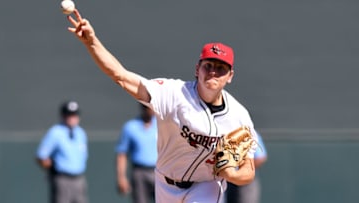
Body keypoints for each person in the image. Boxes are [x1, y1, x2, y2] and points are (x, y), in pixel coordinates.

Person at [66, 9, 258, 203]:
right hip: (165, 183)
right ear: (197, 68)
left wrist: (232, 175)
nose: (213, 73)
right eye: (208, 65)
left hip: (206, 185)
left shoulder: (239, 116)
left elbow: (248, 169)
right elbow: (121, 77)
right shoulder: (173, 94)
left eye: (221, 68)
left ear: (230, 76)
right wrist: (92, 42)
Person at [36, 101, 89, 203]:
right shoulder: (55, 132)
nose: (72, 118)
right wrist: (52, 169)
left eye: (74, 115)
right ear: (63, 116)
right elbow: (41, 156)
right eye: (69, 115)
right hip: (62, 179)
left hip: (79, 178)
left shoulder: (80, 133)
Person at [115, 103, 158, 203]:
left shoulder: (162, 125)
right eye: (148, 107)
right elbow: (122, 154)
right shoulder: (131, 127)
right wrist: (121, 177)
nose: (151, 110)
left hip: (159, 171)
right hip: (139, 172)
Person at [226, 131, 268, 203]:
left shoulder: (252, 135)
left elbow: (260, 158)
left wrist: (243, 167)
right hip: (228, 181)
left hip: (246, 182)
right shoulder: (226, 132)